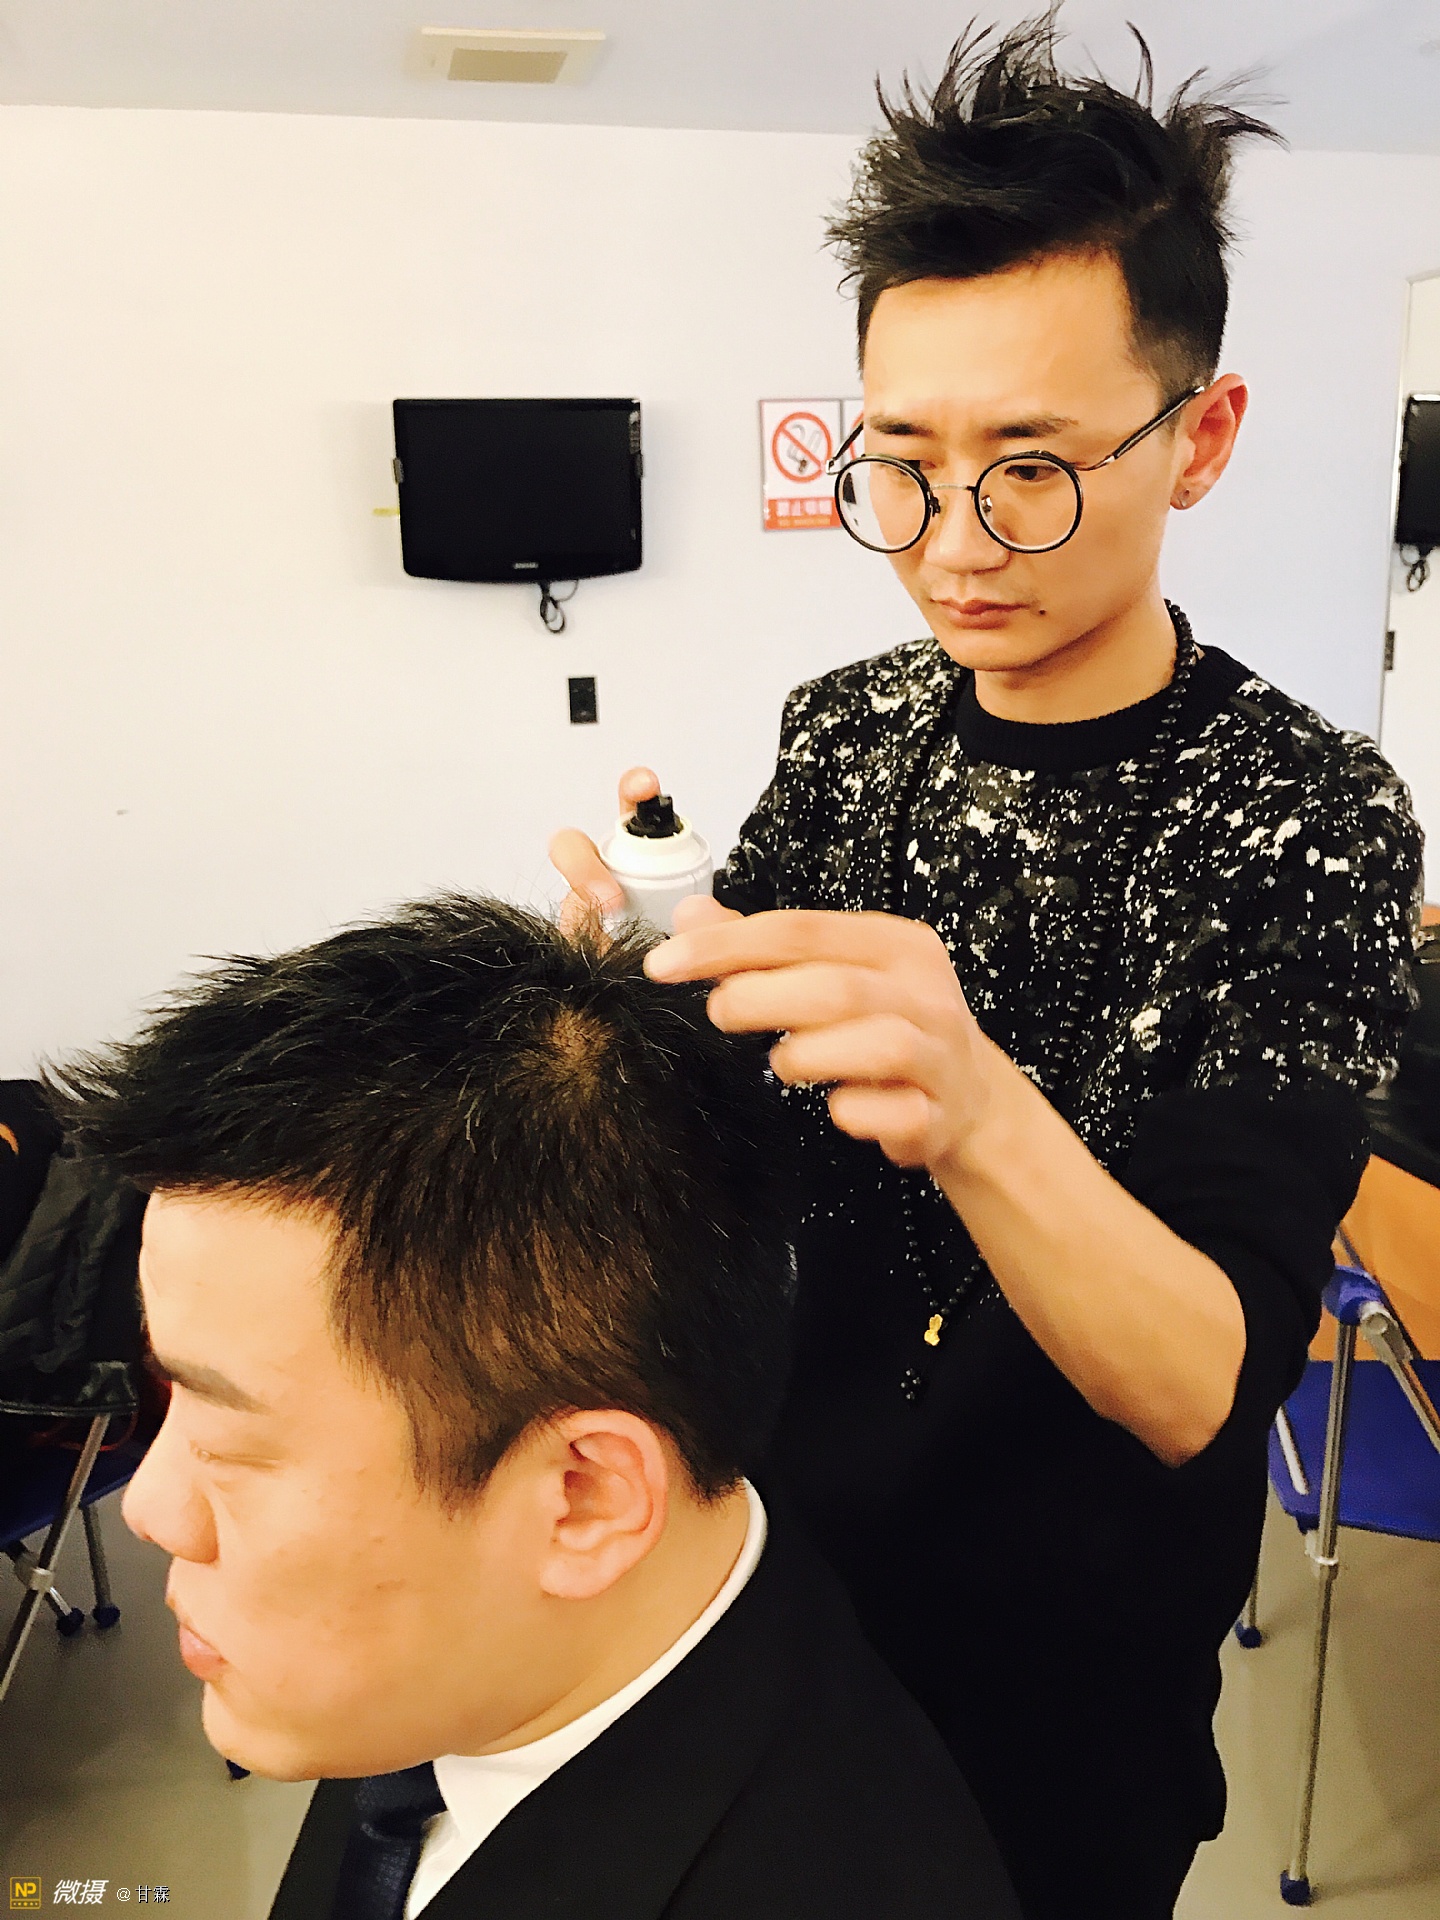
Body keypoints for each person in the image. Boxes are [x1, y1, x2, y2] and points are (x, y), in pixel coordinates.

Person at [549, 20, 1424, 1920]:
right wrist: (634, 984)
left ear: (1201, 436)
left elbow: (1203, 1381)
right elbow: (737, 1087)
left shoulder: (1306, 816)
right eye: (903, 468)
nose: (953, 547)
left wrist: (978, 1109)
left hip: (1060, 1689)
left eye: (1030, 469)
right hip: (757, 1585)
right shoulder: (853, 728)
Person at [48, 897, 1019, 1920]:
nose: (150, 1510)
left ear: (584, 1498)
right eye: (170, 1394)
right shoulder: (479, 1654)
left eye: (233, 1447)